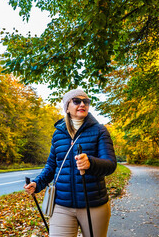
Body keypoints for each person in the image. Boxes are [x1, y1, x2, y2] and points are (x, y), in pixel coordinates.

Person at [24, 89, 117, 237]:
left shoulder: (99, 130)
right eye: (76, 101)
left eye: (85, 101)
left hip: (93, 204)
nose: (82, 104)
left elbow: (110, 164)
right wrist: (37, 183)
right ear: (67, 107)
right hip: (62, 205)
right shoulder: (58, 134)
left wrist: (90, 164)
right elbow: (52, 166)